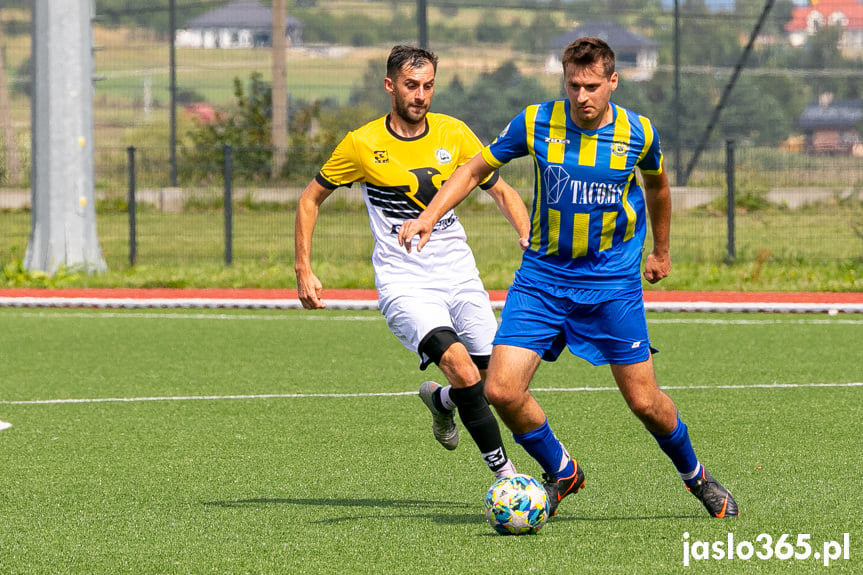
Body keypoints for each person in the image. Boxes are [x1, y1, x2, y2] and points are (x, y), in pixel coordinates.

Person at [398, 37, 738, 518]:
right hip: (542, 278)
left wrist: (661, 250)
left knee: (644, 402)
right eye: (574, 85)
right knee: (500, 390)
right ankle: (562, 469)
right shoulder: (536, 122)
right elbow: (474, 168)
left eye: (593, 86)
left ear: (613, 82)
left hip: (611, 285)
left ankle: (697, 477)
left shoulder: (638, 133)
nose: (582, 96)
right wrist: (430, 216)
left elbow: (658, 188)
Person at [294, 45, 531, 480]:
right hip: (405, 282)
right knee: (461, 367)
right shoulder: (361, 144)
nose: (420, 95)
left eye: (428, 86)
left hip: (459, 274)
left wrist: (526, 233)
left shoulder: (454, 133)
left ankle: (442, 403)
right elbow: (310, 198)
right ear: (390, 86)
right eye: (411, 86)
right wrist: (303, 269)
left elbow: (500, 189)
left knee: (493, 383)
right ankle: (507, 477)